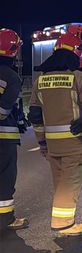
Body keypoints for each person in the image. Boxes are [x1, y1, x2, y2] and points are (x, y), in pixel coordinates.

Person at [28, 32, 82, 236]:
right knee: (70, 184)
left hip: (53, 146)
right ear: (78, 54)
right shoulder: (80, 79)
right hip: (75, 143)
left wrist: (43, 144)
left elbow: (35, 117)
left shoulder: (40, 82)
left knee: (61, 183)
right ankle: (64, 224)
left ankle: (63, 219)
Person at [0, 29, 29, 231]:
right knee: (5, 177)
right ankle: (5, 219)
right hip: (3, 138)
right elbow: (3, 110)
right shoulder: (11, 76)